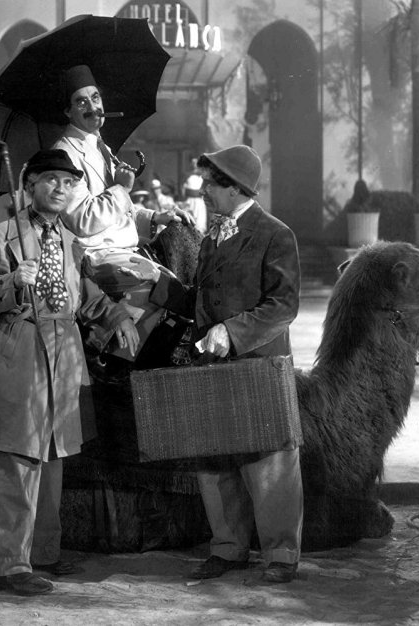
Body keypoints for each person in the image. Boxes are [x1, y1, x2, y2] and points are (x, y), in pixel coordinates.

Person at [124, 145, 303, 584]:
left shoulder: (275, 234)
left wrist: (232, 332)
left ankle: (280, 555)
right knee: (216, 458)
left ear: (235, 189)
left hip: (258, 365)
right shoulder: (211, 238)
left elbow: (283, 305)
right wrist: (156, 282)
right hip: (212, 365)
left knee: (269, 462)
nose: (203, 190)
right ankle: (227, 548)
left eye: (210, 184)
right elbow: (202, 299)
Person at [0, 149, 139, 596]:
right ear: (29, 185)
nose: (61, 189)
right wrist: (11, 282)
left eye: (69, 183)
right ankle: (8, 566)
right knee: (16, 457)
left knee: (53, 457)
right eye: (51, 180)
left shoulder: (70, 240)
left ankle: (44, 553)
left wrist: (118, 318)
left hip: (64, 355)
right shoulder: (4, 235)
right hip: (21, 350)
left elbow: (87, 297)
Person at [51, 65, 194, 347]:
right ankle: (119, 360)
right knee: (163, 287)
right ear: (68, 112)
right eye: (81, 102)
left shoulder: (101, 147)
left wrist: (156, 217)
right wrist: (121, 189)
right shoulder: (65, 153)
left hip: (122, 250)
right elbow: (83, 219)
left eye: (95, 98)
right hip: (95, 256)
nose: (92, 107)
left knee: (177, 280)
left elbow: (119, 213)